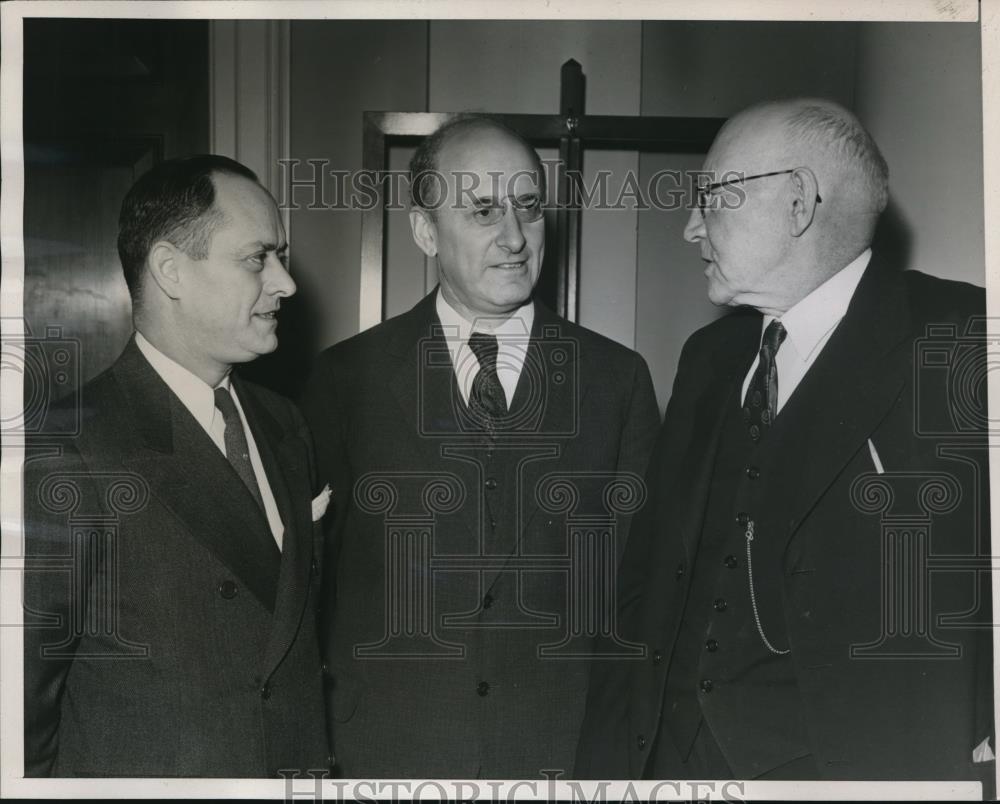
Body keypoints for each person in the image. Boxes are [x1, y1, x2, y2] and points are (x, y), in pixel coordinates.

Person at [575, 98, 995, 784]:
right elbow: (646, 579)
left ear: (797, 203)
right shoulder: (709, 356)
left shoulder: (960, 338)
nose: (689, 226)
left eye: (711, 197)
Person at [300, 115, 660, 779]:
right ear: (424, 230)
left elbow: (639, 595)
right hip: (388, 757)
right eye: (484, 211)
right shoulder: (345, 378)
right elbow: (313, 583)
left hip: (561, 759)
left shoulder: (618, 379)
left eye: (528, 207)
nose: (515, 238)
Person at [23, 155, 331, 777]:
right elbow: (21, 711)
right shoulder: (67, 447)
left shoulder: (284, 425)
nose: (285, 283)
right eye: (256, 258)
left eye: (280, 257)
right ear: (171, 271)